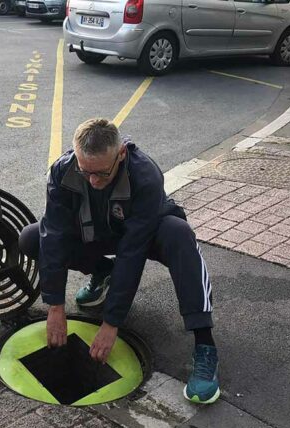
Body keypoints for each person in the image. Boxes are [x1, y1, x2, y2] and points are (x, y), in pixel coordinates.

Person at [19, 118, 220, 404]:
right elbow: (55, 235)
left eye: (101, 173)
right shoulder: (63, 171)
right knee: (32, 237)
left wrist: (112, 322)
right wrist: (55, 305)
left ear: (121, 154)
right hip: (95, 230)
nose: (93, 181)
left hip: (142, 233)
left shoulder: (145, 176)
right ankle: (102, 273)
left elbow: (132, 252)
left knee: (179, 234)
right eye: (84, 170)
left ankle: (205, 346)